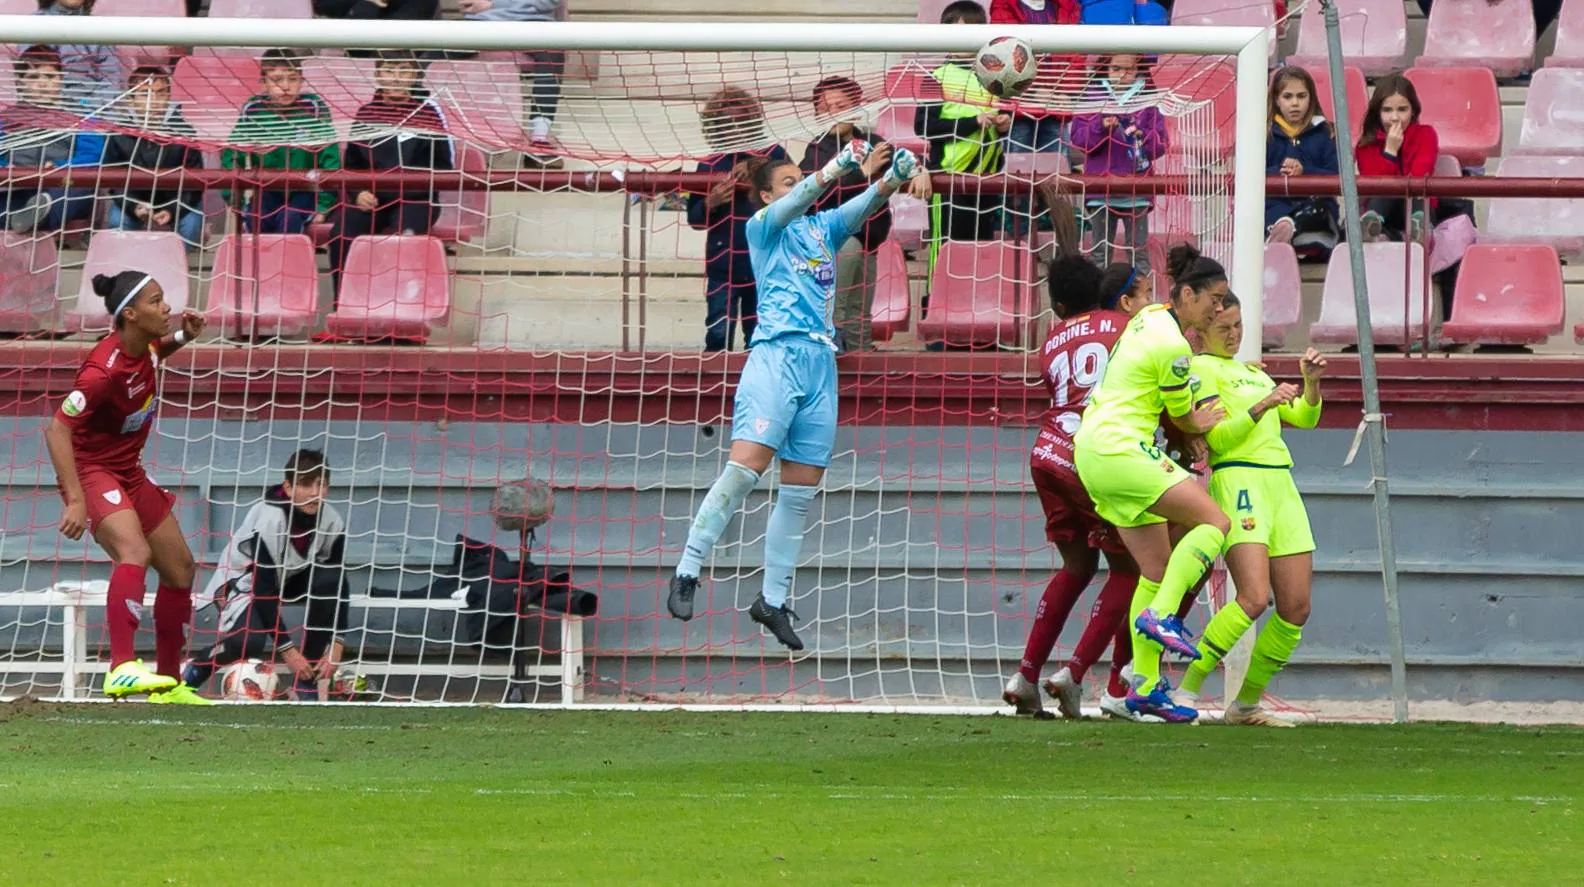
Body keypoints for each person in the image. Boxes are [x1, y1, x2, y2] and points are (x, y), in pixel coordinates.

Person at [665, 140, 922, 650]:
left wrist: (893, 177)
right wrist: (831, 169)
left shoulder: (823, 230)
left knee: (800, 494)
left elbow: (864, 204)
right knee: (743, 473)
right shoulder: (762, 230)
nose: (798, 187)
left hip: (820, 366)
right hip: (775, 360)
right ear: (764, 196)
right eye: (787, 182)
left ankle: (772, 600)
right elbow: (800, 198)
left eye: (800, 180)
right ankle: (688, 569)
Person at [1072, 243, 1231, 723]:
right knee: (1214, 521)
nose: (1219, 309)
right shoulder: (1174, 346)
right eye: (1214, 300)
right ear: (1186, 293)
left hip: (1092, 451)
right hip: (1122, 448)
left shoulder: (1150, 318)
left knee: (1157, 568)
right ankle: (1163, 617)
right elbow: (1182, 414)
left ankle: (1143, 685)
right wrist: (1197, 424)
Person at [43, 271, 206, 701]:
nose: (167, 307)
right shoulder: (100, 372)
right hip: (93, 471)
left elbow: (155, 356)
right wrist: (75, 499)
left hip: (128, 470)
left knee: (180, 568)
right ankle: (120, 668)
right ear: (130, 315)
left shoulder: (148, 345)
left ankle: (168, 684)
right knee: (135, 552)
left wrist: (183, 339)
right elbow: (57, 429)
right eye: (157, 301)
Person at [1003, 259, 1155, 720]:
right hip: (1091, 457)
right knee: (1134, 569)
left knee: (1077, 564)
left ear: (1061, 304)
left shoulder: (1051, 340)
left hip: (1046, 454)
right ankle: (1073, 675)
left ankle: (1025, 677)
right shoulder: (1129, 327)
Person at [1177, 296, 1324, 726]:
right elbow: (1218, 440)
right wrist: (1263, 404)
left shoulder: (1251, 373)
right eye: (1224, 327)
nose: (1234, 334)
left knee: (1296, 607)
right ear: (1201, 330)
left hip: (1281, 483)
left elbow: (1305, 418)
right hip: (1240, 479)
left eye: (1238, 325)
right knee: (1254, 596)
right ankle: (1187, 688)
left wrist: (1310, 383)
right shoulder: (1202, 371)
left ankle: (1245, 704)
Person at [181, 449, 352, 703]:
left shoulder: (331, 520)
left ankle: (306, 680)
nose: (315, 493)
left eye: (322, 485)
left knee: (328, 579)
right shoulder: (270, 518)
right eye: (306, 485)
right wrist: (288, 651)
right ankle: (199, 666)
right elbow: (263, 589)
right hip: (244, 584)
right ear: (288, 486)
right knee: (248, 642)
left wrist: (337, 642)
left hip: (288, 578)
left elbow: (339, 580)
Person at [329, 51, 453, 293]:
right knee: (342, 234)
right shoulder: (366, 114)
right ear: (378, 75)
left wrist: (413, 186)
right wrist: (358, 193)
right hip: (373, 199)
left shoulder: (429, 114)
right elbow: (351, 166)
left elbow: (444, 167)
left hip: (416, 199)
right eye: (389, 70)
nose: (396, 78)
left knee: (403, 239)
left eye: (404, 70)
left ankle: (402, 314)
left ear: (415, 75)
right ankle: (344, 308)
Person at [687, 86, 789, 351]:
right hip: (724, 267)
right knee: (718, 336)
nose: (735, 129)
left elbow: (795, 192)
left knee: (760, 339)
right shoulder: (710, 165)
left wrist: (756, 166)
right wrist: (712, 203)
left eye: (742, 122)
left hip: (765, 265)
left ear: (754, 122)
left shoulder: (775, 155)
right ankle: (713, 391)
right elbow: (695, 220)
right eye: (726, 123)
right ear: (715, 127)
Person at [916, 0, 1009, 278]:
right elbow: (924, 126)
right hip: (949, 182)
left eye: (970, 33)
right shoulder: (936, 76)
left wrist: (1003, 124)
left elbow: (999, 123)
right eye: (956, 33)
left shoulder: (993, 78)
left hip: (986, 181)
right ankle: (931, 308)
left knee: (979, 257)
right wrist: (973, 122)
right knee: (946, 255)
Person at [799, 76, 892, 353]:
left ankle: (860, 354)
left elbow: (900, 160)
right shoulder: (817, 149)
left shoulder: (873, 142)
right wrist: (862, 172)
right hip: (834, 242)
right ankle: (830, 342)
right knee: (837, 307)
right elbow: (819, 192)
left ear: (857, 106)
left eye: (842, 105)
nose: (835, 112)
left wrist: (919, 170)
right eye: (826, 107)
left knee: (860, 310)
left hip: (868, 242)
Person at [221, 49, 340, 235]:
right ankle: (264, 264)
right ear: (263, 83)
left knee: (289, 217)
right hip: (267, 188)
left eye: (292, 79)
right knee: (255, 217)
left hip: (306, 189)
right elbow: (233, 153)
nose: (285, 86)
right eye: (277, 80)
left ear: (301, 81)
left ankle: (288, 263)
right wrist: (233, 198)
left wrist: (323, 205)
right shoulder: (253, 110)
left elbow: (330, 157)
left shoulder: (314, 107)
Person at [1068, 53, 1166, 273]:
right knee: (1099, 254)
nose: (1123, 75)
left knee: (1139, 252)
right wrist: (1101, 127)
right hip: (1100, 190)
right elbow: (1078, 140)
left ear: (1138, 70)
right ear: (1105, 69)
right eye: (1116, 69)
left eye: (1129, 69)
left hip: (1136, 191)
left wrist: (1143, 137)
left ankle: (1140, 299)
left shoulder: (1150, 101)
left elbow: (1160, 144)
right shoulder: (1091, 98)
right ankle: (1098, 303)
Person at [1, 45, 104, 235]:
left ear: (60, 80)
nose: (42, 84)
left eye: (49, 77)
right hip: (16, 188)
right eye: (33, 77)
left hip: (60, 186)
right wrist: (8, 169)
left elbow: (92, 156)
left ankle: (38, 217)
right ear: (20, 82)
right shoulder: (5, 119)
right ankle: (25, 217)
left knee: (80, 186)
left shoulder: (80, 117)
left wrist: (59, 166)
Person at [101, 65, 205, 251]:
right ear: (131, 100)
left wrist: (172, 210)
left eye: (160, 94)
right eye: (145, 95)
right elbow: (113, 182)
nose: (154, 101)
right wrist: (134, 206)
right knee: (118, 221)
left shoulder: (185, 133)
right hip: (134, 201)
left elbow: (195, 184)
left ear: (168, 97)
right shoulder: (117, 134)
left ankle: (182, 268)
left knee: (191, 224)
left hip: (176, 202)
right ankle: (126, 268)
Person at [459, 0, 564, 168]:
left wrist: (494, 5)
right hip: (480, 24)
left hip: (532, 25)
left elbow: (547, 2)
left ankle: (539, 139)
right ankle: (422, 126)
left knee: (552, 54)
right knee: (428, 52)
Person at [1355, 74, 1438, 246]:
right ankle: (1371, 228)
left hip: (1416, 203)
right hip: (1382, 207)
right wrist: (1390, 151)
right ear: (1377, 113)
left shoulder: (1426, 135)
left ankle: (1419, 230)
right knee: (1383, 191)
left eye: (1402, 109)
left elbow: (1419, 176)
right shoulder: (1366, 144)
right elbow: (1375, 185)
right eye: (1387, 110)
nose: (1395, 117)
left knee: (1419, 196)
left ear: (1413, 110)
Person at [1264, 65, 1339, 257]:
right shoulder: (1265, 134)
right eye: (1287, 97)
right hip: (1277, 203)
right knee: (1269, 210)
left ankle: (1292, 237)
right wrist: (1279, 172)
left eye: (1301, 96)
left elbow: (1336, 178)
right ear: (1276, 100)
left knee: (1317, 213)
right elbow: (1253, 175)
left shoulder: (1326, 132)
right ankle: (1282, 232)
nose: (1295, 103)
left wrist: (1305, 171)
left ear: (1311, 99)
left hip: (1314, 204)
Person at [33, 0, 124, 110]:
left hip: (95, 106)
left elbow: (112, 74)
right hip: (54, 107)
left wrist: (93, 103)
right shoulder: (35, 24)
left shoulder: (99, 27)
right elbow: (37, 79)